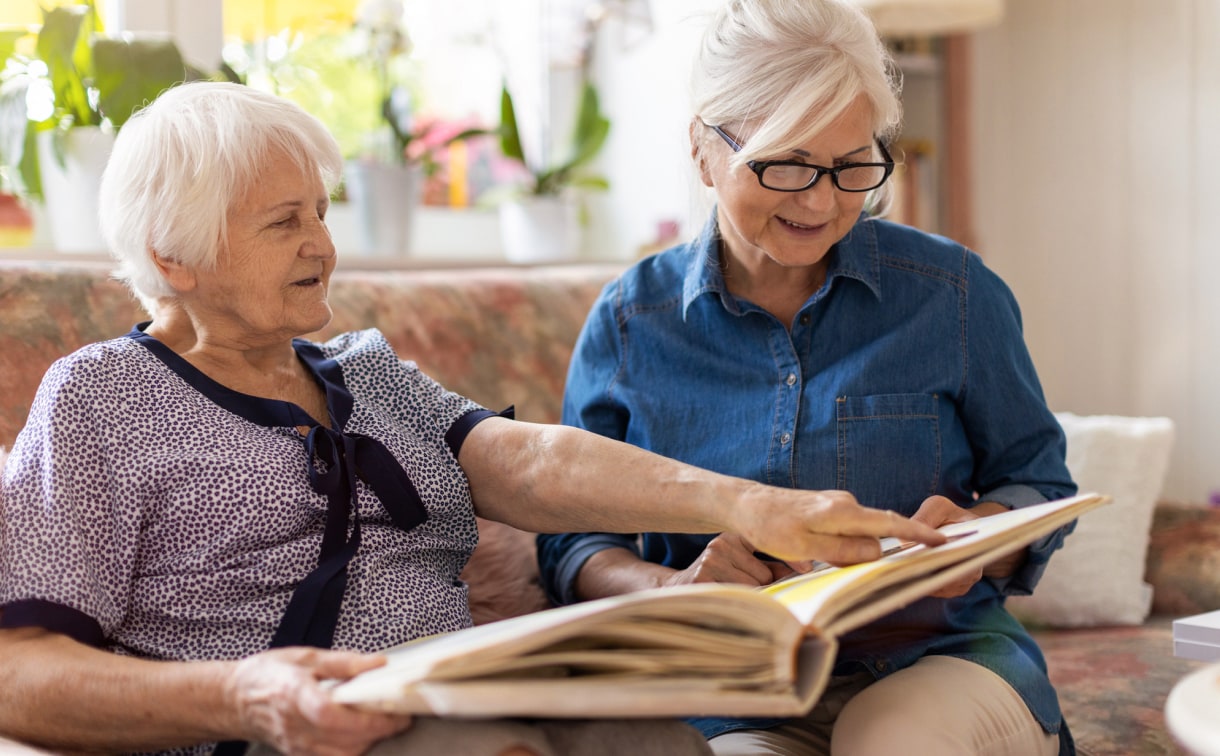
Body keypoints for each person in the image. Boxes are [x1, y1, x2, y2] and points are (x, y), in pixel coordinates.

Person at [0, 81, 945, 756]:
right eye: (283, 222)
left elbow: (526, 463)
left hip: (464, 696)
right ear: (174, 255)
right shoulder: (101, 399)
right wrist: (248, 696)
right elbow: (20, 673)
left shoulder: (364, 372)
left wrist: (751, 507)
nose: (323, 246)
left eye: (322, 213)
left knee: (660, 743)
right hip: (301, 734)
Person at [536, 1, 1079, 755]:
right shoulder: (633, 322)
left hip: (940, 660)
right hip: (732, 691)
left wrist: (979, 540)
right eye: (785, 164)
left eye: (853, 165)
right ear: (704, 150)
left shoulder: (953, 295)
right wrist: (669, 587)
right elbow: (570, 541)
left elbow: (1040, 483)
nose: (822, 202)